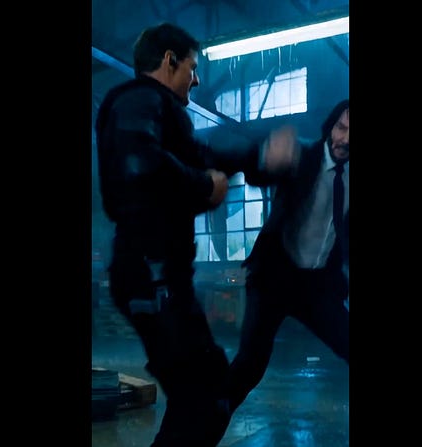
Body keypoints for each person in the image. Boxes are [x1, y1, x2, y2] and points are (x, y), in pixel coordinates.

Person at [94, 22, 297, 447]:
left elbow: (206, 156)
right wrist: (203, 185)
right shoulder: (139, 99)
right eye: (192, 67)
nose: (197, 79)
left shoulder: (163, 114)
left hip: (159, 277)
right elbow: (137, 163)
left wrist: (261, 158)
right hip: (151, 276)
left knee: (205, 392)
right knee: (205, 397)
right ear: (169, 60)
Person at [226, 99, 350, 415]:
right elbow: (259, 171)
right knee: (250, 365)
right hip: (274, 278)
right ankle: (203, 422)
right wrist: (265, 157)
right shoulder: (304, 155)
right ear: (331, 125)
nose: (344, 139)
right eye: (341, 128)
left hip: (317, 285)